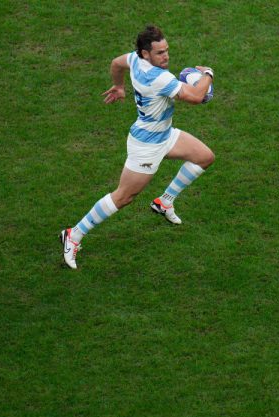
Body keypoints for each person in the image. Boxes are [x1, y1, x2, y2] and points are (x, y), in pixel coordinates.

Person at [60, 25, 215, 269]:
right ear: (145, 53)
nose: (166, 56)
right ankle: (73, 234)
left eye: (166, 50)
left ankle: (164, 202)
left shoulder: (134, 60)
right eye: (160, 53)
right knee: (124, 196)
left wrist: (119, 86)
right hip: (147, 146)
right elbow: (196, 97)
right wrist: (208, 74)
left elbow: (116, 63)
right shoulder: (159, 78)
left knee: (204, 157)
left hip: (165, 134)